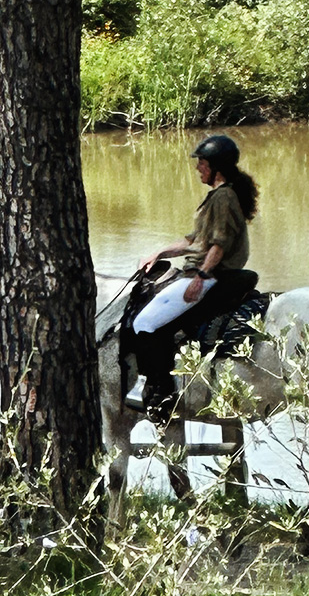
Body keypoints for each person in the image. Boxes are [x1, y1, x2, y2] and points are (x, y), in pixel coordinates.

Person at [124, 134, 259, 416]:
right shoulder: (218, 196)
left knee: (144, 322)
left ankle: (160, 392)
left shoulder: (224, 197)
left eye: (202, 163)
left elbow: (219, 245)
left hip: (210, 276)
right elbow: (193, 241)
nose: (198, 168)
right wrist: (159, 253)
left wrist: (201, 277)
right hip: (204, 271)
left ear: (216, 168)